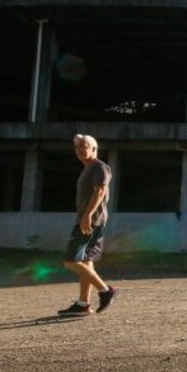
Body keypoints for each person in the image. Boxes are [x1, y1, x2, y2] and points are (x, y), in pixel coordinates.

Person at [58, 134, 119, 315]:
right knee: (86, 260)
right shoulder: (88, 168)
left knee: (70, 260)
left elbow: (100, 191)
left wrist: (87, 216)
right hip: (90, 219)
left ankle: (106, 291)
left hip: (91, 220)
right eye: (76, 147)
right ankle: (83, 304)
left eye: (83, 146)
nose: (79, 150)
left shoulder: (100, 167)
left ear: (94, 148)